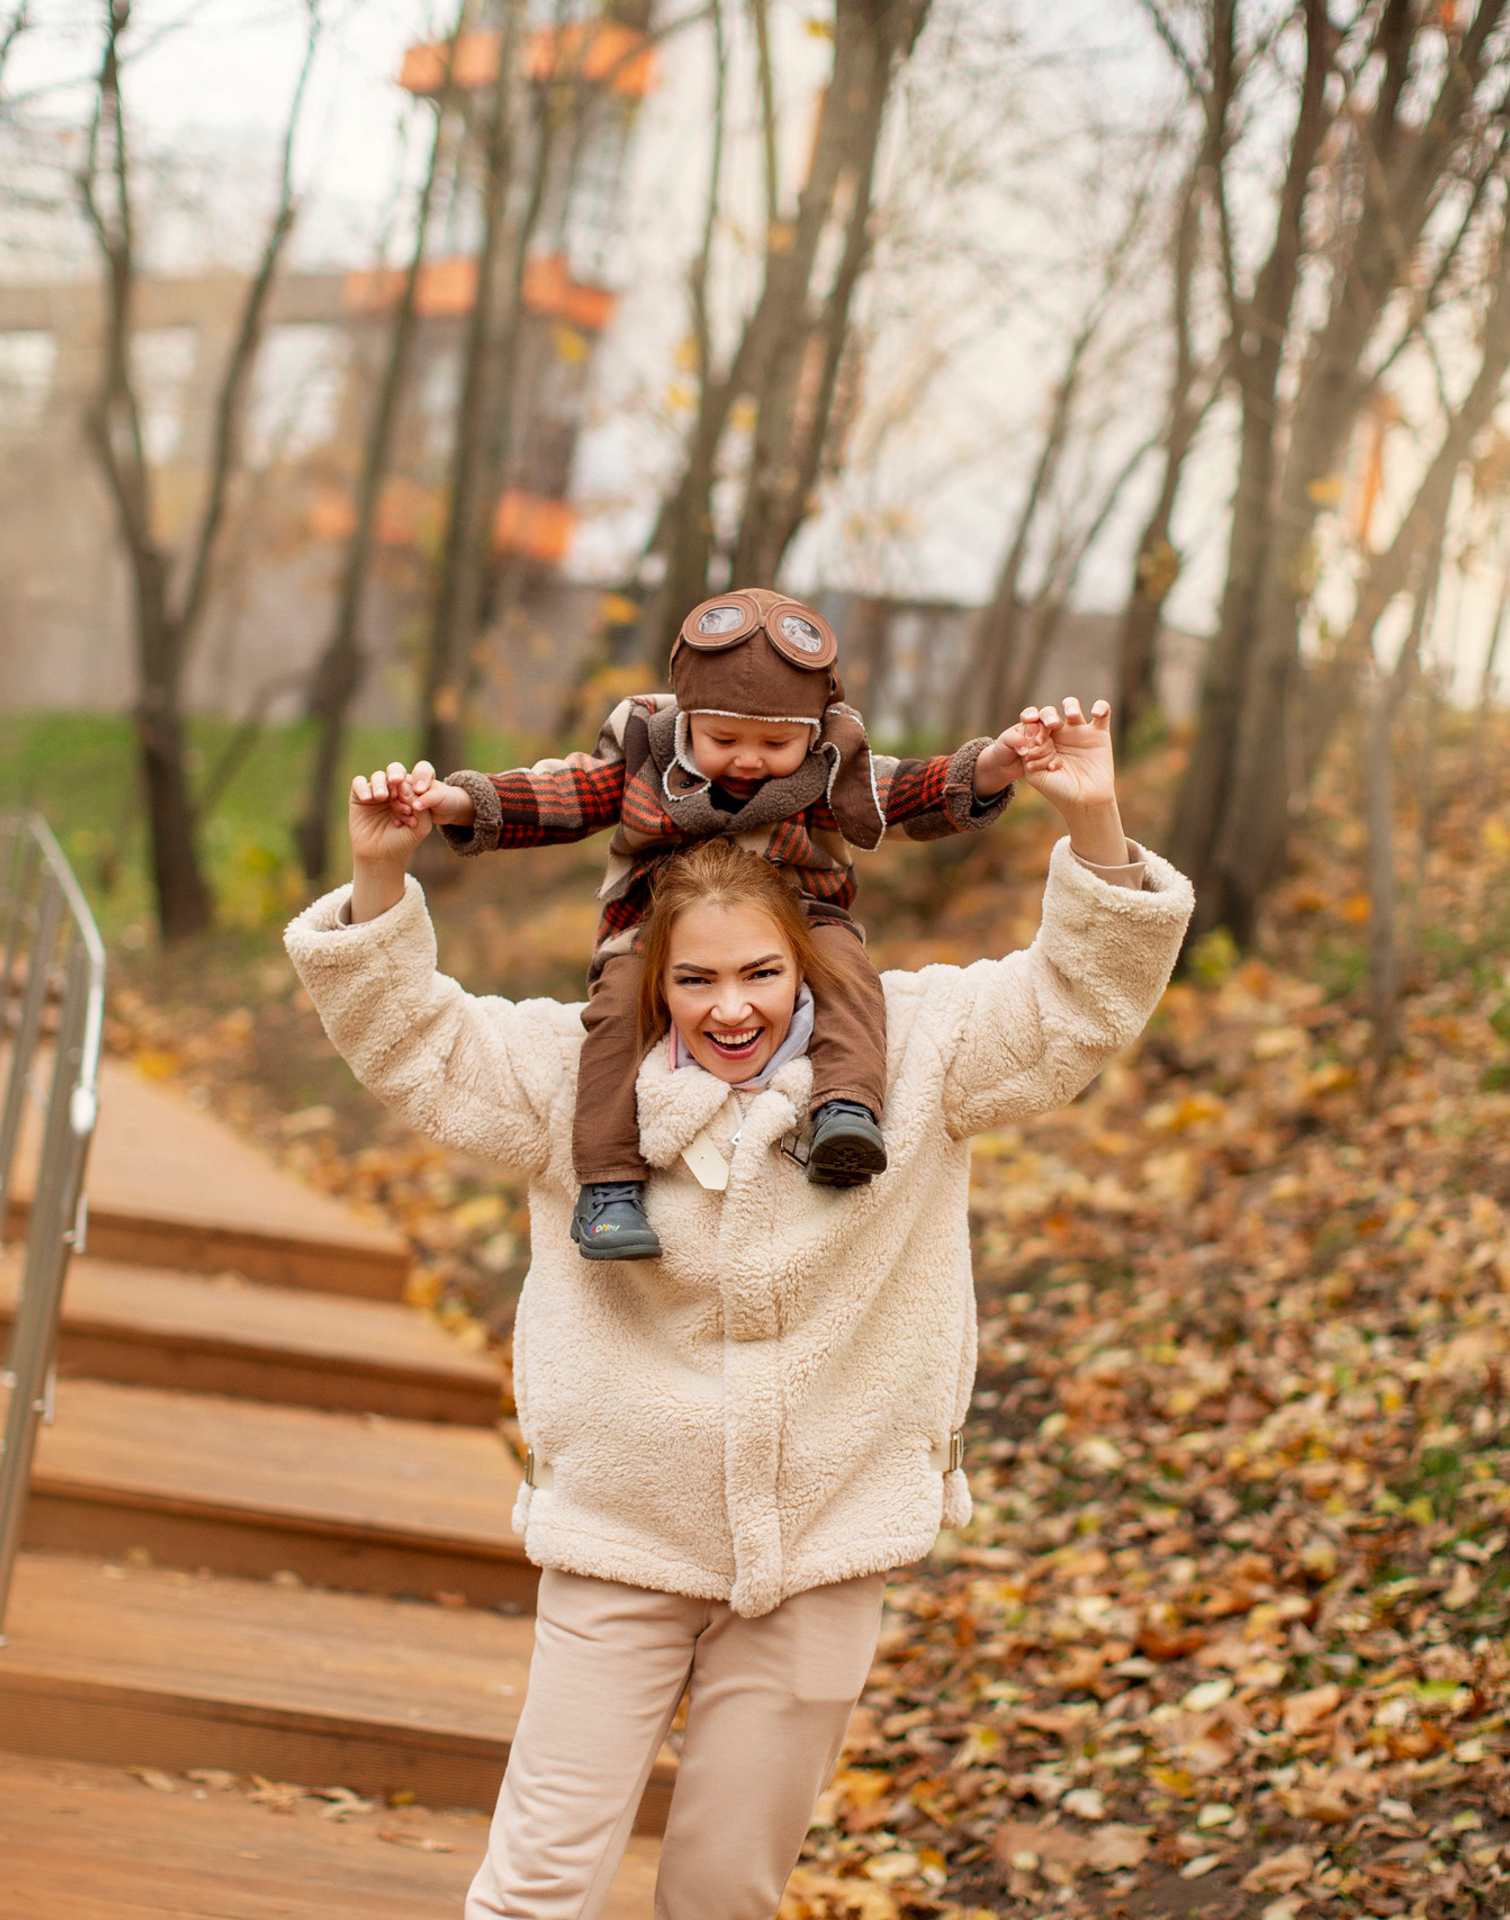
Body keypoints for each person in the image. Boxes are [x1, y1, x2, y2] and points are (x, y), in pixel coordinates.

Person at [285, 695, 1194, 1920]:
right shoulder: (576, 1075)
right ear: (648, 979)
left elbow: (1075, 1005)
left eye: (763, 974)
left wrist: (1093, 824)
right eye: (696, 980)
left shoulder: (917, 1056)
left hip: (824, 1545)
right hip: (621, 1538)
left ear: (809, 965)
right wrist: (380, 878)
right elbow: (417, 1045)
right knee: (539, 1881)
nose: (731, 1009)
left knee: (726, 1892)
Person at [382, 588, 1046, 1263]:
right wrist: (461, 803)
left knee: (849, 977)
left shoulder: (828, 762)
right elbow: (565, 794)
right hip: (658, 925)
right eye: (723, 740)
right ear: (688, 718)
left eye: (776, 743)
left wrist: (989, 769)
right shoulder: (646, 750)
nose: (748, 760)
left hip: (800, 917)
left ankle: (846, 1110)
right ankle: (609, 1185)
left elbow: (900, 792)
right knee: (616, 1013)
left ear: (812, 730)